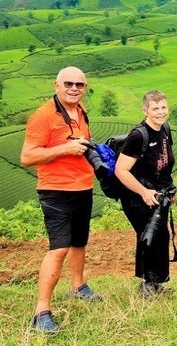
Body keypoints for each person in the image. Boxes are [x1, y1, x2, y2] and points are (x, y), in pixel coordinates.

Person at [21, 67, 103, 333]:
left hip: (82, 186)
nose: (74, 88)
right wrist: (65, 149)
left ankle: (78, 286)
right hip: (56, 190)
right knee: (58, 248)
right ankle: (41, 310)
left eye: (80, 84)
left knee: (79, 242)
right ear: (56, 84)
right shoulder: (44, 115)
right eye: (68, 83)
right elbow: (27, 156)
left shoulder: (80, 112)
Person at [115, 90, 176, 298]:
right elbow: (120, 170)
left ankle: (157, 281)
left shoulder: (165, 129)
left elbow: (165, 163)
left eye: (163, 108)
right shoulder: (138, 135)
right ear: (145, 111)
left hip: (159, 195)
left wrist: (170, 188)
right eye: (155, 108)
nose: (160, 112)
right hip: (137, 198)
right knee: (148, 237)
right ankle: (147, 284)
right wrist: (143, 192)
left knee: (161, 236)